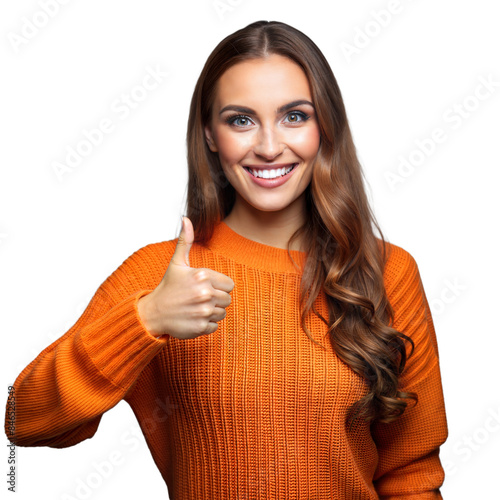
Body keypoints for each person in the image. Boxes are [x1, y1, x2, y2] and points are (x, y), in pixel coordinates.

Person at [4, 20, 448, 499]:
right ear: (211, 136)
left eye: (294, 116)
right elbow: (23, 419)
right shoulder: (160, 277)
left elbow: (411, 474)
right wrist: (146, 320)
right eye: (241, 120)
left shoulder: (385, 272)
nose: (269, 146)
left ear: (326, 126)